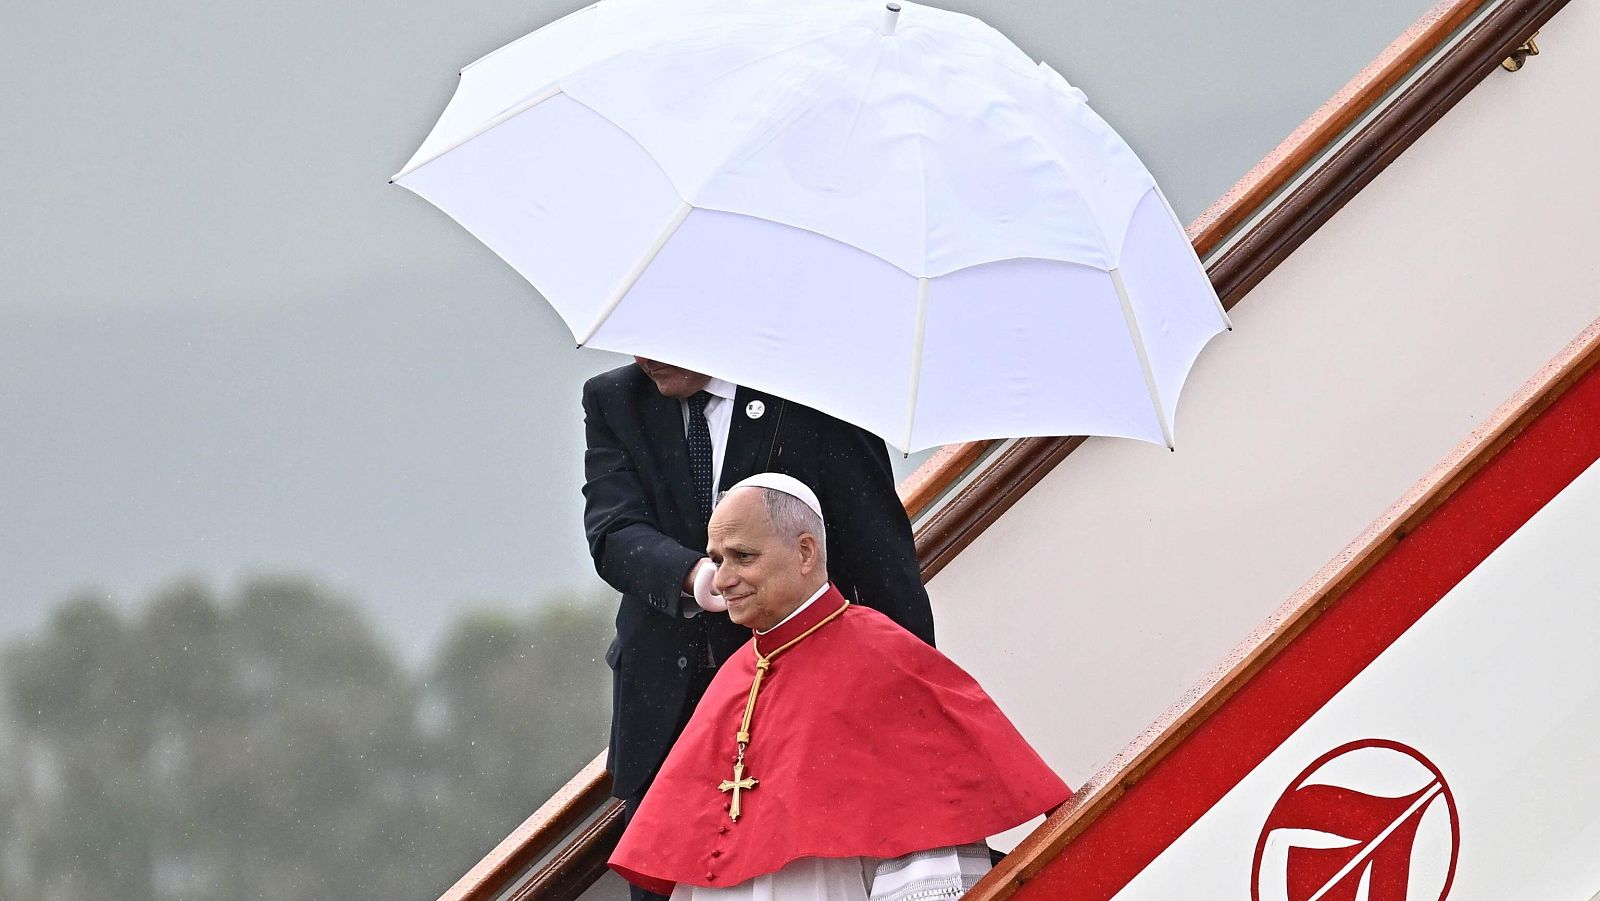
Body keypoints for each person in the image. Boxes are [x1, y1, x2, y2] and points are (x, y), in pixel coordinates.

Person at [609, 473, 1069, 901]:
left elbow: (929, 832)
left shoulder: (881, 655)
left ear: (806, 552)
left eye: (743, 556)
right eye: (716, 560)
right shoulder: (734, 675)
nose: (723, 579)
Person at [583, 358, 937, 899]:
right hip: (664, 719)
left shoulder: (814, 390)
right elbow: (613, 530)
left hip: (799, 712)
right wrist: (703, 577)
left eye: (663, 339)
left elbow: (881, 566)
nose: (645, 358)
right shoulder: (614, 398)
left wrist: (914, 715)